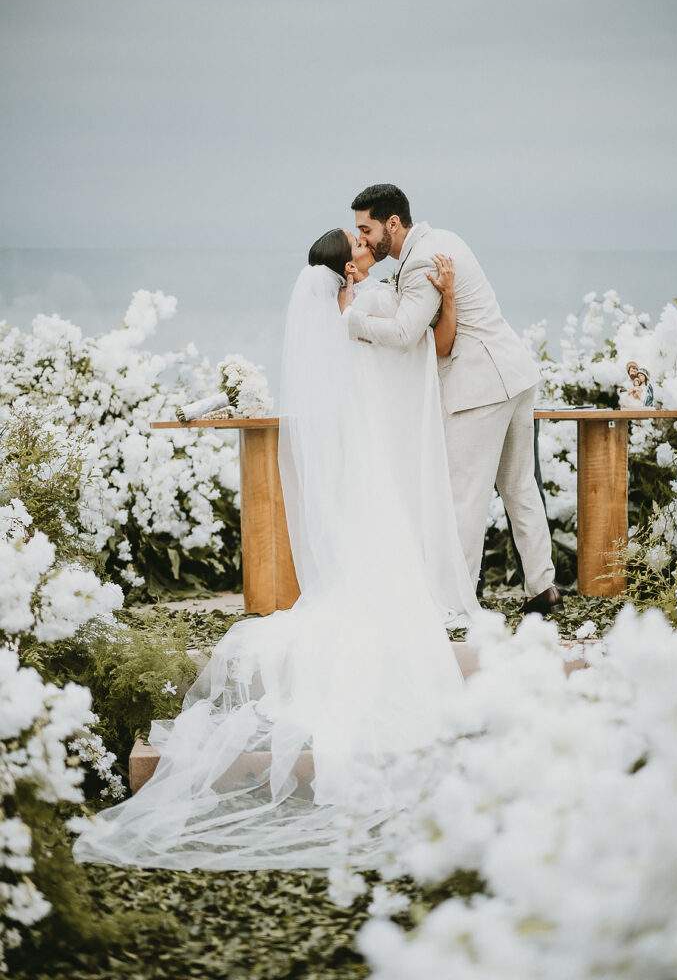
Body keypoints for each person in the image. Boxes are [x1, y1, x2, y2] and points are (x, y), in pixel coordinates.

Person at [71, 228, 479, 872]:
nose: (367, 244)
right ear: (350, 265)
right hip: (368, 453)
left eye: (367, 233)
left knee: (374, 550)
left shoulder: (343, 309)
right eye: (359, 242)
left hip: (360, 452)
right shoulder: (354, 309)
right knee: (383, 551)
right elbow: (401, 351)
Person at [342, 183, 561, 617]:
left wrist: (351, 323)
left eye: (365, 229)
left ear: (392, 223)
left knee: (465, 495)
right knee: (519, 487)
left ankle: (457, 603)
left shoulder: (423, 259)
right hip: (513, 374)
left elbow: (406, 332)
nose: (362, 239)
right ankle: (543, 588)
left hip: (479, 387)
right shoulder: (442, 239)